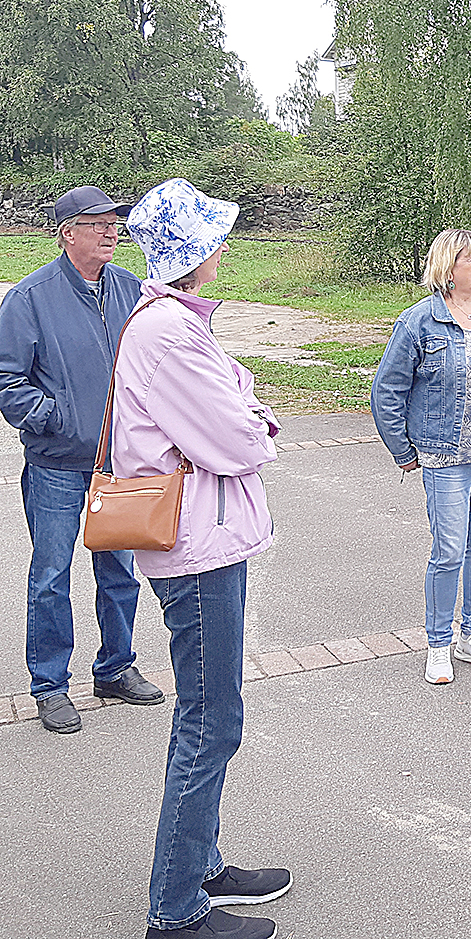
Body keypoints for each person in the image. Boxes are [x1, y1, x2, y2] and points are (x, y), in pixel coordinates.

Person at [117, 179, 290, 938]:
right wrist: (251, 419)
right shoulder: (167, 333)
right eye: (215, 234)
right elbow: (239, 437)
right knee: (210, 720)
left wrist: (245, 409)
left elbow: (237, 400)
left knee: (209, 712)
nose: (226, 243)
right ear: (190, 250)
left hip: (205, 539)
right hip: (196, 549)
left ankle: (200, 864)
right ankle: (176, 910)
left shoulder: (179, 326)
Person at [0, 184, 162, 734]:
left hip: (121, 464)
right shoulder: (29, 298)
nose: (112, 231)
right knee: (51, 575)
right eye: (98, 224)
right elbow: (7, 382)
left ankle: (116, 667)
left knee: (120, 571)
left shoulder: (132, 290)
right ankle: (49, 685)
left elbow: (156, 361)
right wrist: (58, 418)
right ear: (69, 234)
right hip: (58, 466)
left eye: (114, 222)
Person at [372, 229, 471, 684]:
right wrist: (403, 450)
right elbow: (387, 390)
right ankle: (438, 644)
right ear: (448, 267)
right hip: (446, 456)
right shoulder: (418, 322)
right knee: (448, 551)